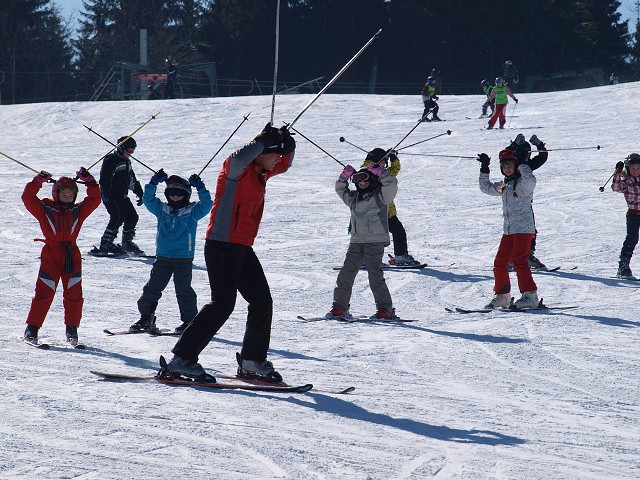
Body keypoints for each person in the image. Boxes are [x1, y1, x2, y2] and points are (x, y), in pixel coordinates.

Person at [164, 123, 295, 381]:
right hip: (222, 244)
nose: (278, 160)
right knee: (223, 303)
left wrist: (288, 144)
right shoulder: (234, 172)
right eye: (274, 154)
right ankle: (182, 359)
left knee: (261, 301)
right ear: (260, 152)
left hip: (242, 247)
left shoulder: (261, 173)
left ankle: (252, 360)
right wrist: (262, 140)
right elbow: (236, 157)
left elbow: (286, 164)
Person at [22, 168, 101, 345]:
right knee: (44, 292)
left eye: (70, 195)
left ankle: (72, 330)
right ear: (56, 193)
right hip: (51, 254)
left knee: (74, 293)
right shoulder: (45, 209)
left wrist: (90, 181)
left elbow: (95, 199)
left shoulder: (79, 210)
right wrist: (37, 181)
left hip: (71, 255)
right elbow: (28, 198)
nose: (67, 198)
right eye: (64, 194)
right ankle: (32, 329)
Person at [130, 171, 213, 335]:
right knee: (152, 288)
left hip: (183, 259)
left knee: (183, 290)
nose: (175, 197)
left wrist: (200, 186)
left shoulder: (192, 212)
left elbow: (207, 204)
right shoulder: (162, 210)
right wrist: (153, 183)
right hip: (162, 257)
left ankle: (189, 320)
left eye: (180, 194)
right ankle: (146, 316)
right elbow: (148, 199)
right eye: (172, 194)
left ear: (186, 195)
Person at [327, 161, 398, 319]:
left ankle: (385, 309)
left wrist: (381, 172)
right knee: (346, 274)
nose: (362, 183)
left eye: (365, 180)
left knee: (374, 275)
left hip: (375, 241)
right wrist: (343, 177)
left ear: (372, 180)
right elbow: (340, 189)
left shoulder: (381, 197)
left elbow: (391, 184)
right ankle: (339, 307)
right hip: (357, 241)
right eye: (358, 181)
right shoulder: (354, 198)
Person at [478, 148, 540, 309]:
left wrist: (523, 163)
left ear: (516, 165)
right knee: (500, 262)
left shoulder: (523, 184)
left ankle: (530, 296)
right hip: (509, 230)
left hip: (523, 229)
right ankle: (502, 296)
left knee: (520, 261)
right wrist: (485, 168)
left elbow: (531, 180)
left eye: (510, 164)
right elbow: (486, 188)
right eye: (504, 165)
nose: (507, 167)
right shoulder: (505, 185)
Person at [91, 136, 145, 256]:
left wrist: (140, 194)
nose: (131, 154)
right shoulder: (111, 159)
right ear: (121, 148)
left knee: (132, 217)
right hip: (111, 195)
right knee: (117, 216)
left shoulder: (126, 162)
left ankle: (127, 242)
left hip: (122, 196)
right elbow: (105, 178)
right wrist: (105, 193)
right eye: (129, 150)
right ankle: (106, 243)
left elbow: (131, 180)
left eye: (133, 151)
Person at [362, 147, 415, 264]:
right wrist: (371, 163)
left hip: (388, 212)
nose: (384, 165)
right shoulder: (365, 174)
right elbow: (363, 173)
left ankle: (401, 256)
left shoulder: (385, 173)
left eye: (385, 163)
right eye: (382, 162)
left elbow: (395, 168)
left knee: (399, 232)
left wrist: (392, 156)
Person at [505, 134, 549, 270]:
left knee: (530, 230)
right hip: (511, 201)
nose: (528, 157)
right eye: (525, 154)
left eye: (529, 154)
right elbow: (505, 155)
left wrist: (539, 144)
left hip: (524, 203)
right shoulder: (511, 164)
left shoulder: (527, 165)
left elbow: (542, 157)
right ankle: (514, 256)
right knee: (515, 229)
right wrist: (513, 146)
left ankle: (527, 254)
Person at [611, 153, 640, 278]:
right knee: (632, 239)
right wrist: (617, 173)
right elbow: (616, 187)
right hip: (633, 214)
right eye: (633, 169)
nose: (636, 171)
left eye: (638, 168)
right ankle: (623, 266)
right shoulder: (626, 182)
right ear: (628, 169)